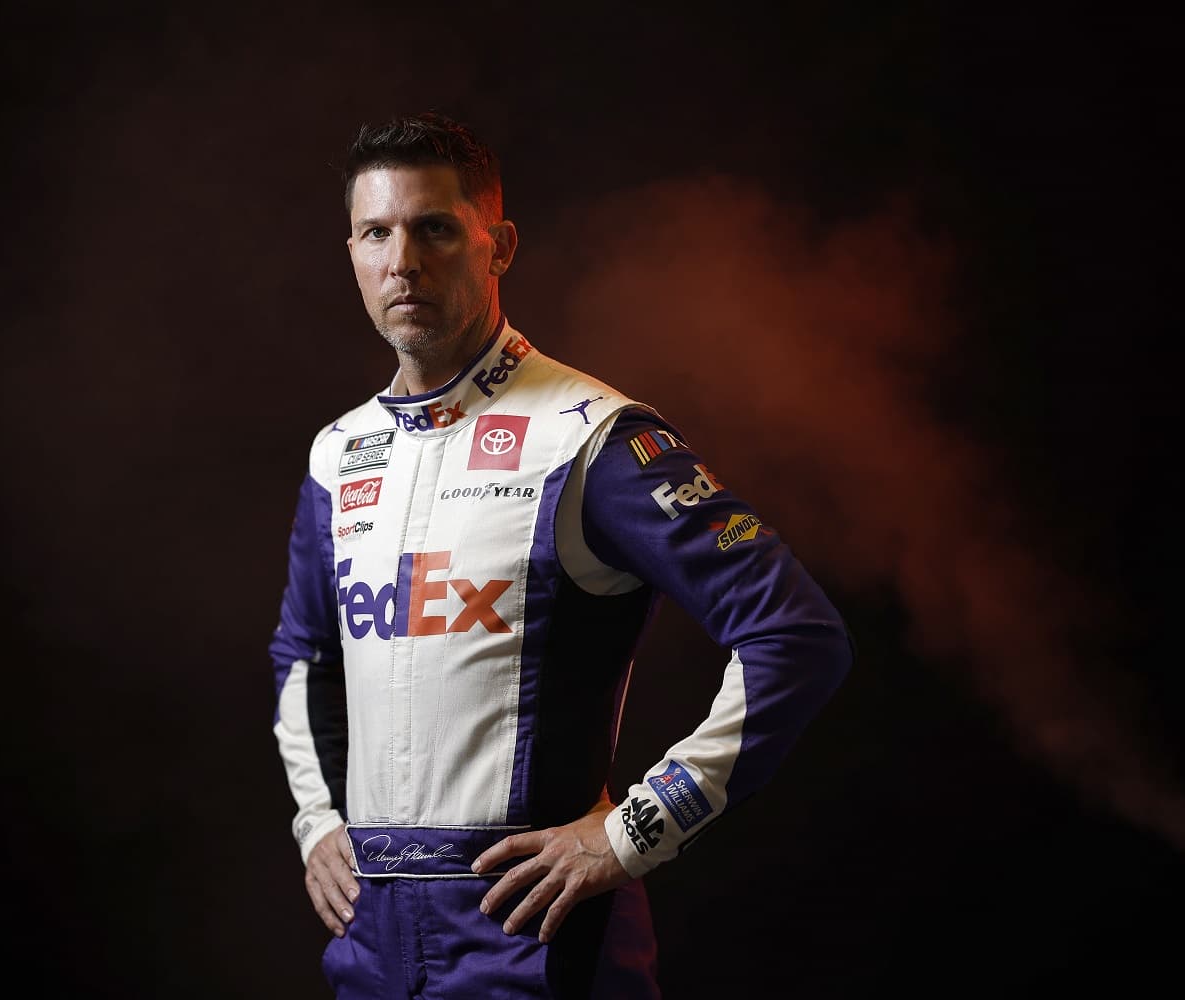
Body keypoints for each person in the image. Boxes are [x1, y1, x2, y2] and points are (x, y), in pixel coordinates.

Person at [270, 112, 853, 998]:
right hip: (374, 941)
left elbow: (796, 636)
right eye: (376, 233)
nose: (403, 262)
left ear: (496, 245)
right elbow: (301, 654)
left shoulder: (590, 436)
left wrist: (636, 833)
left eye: (434, 228)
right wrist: (319, 824)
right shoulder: (338, 452)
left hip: (533, 931)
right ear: (349, 250)